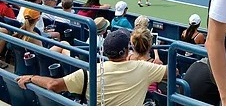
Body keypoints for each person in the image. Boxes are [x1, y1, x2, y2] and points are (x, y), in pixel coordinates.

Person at [16, 29, 168, 106]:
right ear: (127, 50)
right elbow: (172, 73)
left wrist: (32, 77)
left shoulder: (88, 73)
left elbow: (53, 85)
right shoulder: (145, 68)